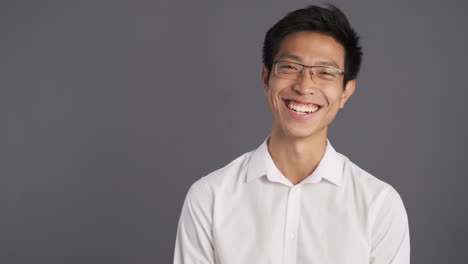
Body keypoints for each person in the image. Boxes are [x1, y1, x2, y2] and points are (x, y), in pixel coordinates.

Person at [173, 4, 410, 264]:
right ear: (266, 78)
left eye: (326, 72)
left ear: (345, 92)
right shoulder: (210, 197)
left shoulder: (378, 204)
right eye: (289, 67)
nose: (304, 85)